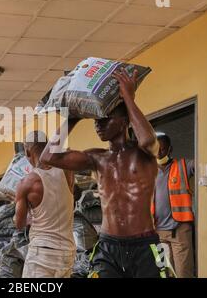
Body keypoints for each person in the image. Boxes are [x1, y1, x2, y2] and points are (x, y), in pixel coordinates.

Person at [41, 68, 172, 278]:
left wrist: (128, 97)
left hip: (146, 246)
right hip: (107, 246)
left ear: (123, 122)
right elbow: (49, 157)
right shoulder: (97, 158)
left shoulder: (144, 153)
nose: (97, 125)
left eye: (105, 119)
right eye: (95, 120)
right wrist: (73, 117)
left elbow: (148, 140)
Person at [15, 130, 76, 278]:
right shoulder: (67, 172)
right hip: (67, 251)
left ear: (27, 152)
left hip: (42, 252)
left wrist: (23, 206)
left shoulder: (27, 183)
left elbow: (19, 224)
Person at [152, 133, 195, 278]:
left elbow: (202, 162)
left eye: (162, 150)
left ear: (170, 150)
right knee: (163, 273)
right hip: (157, 232)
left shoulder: (183, 166)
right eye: (156, 149)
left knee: (183, 273)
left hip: (179, 230)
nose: (159, 153)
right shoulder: (149, 172)